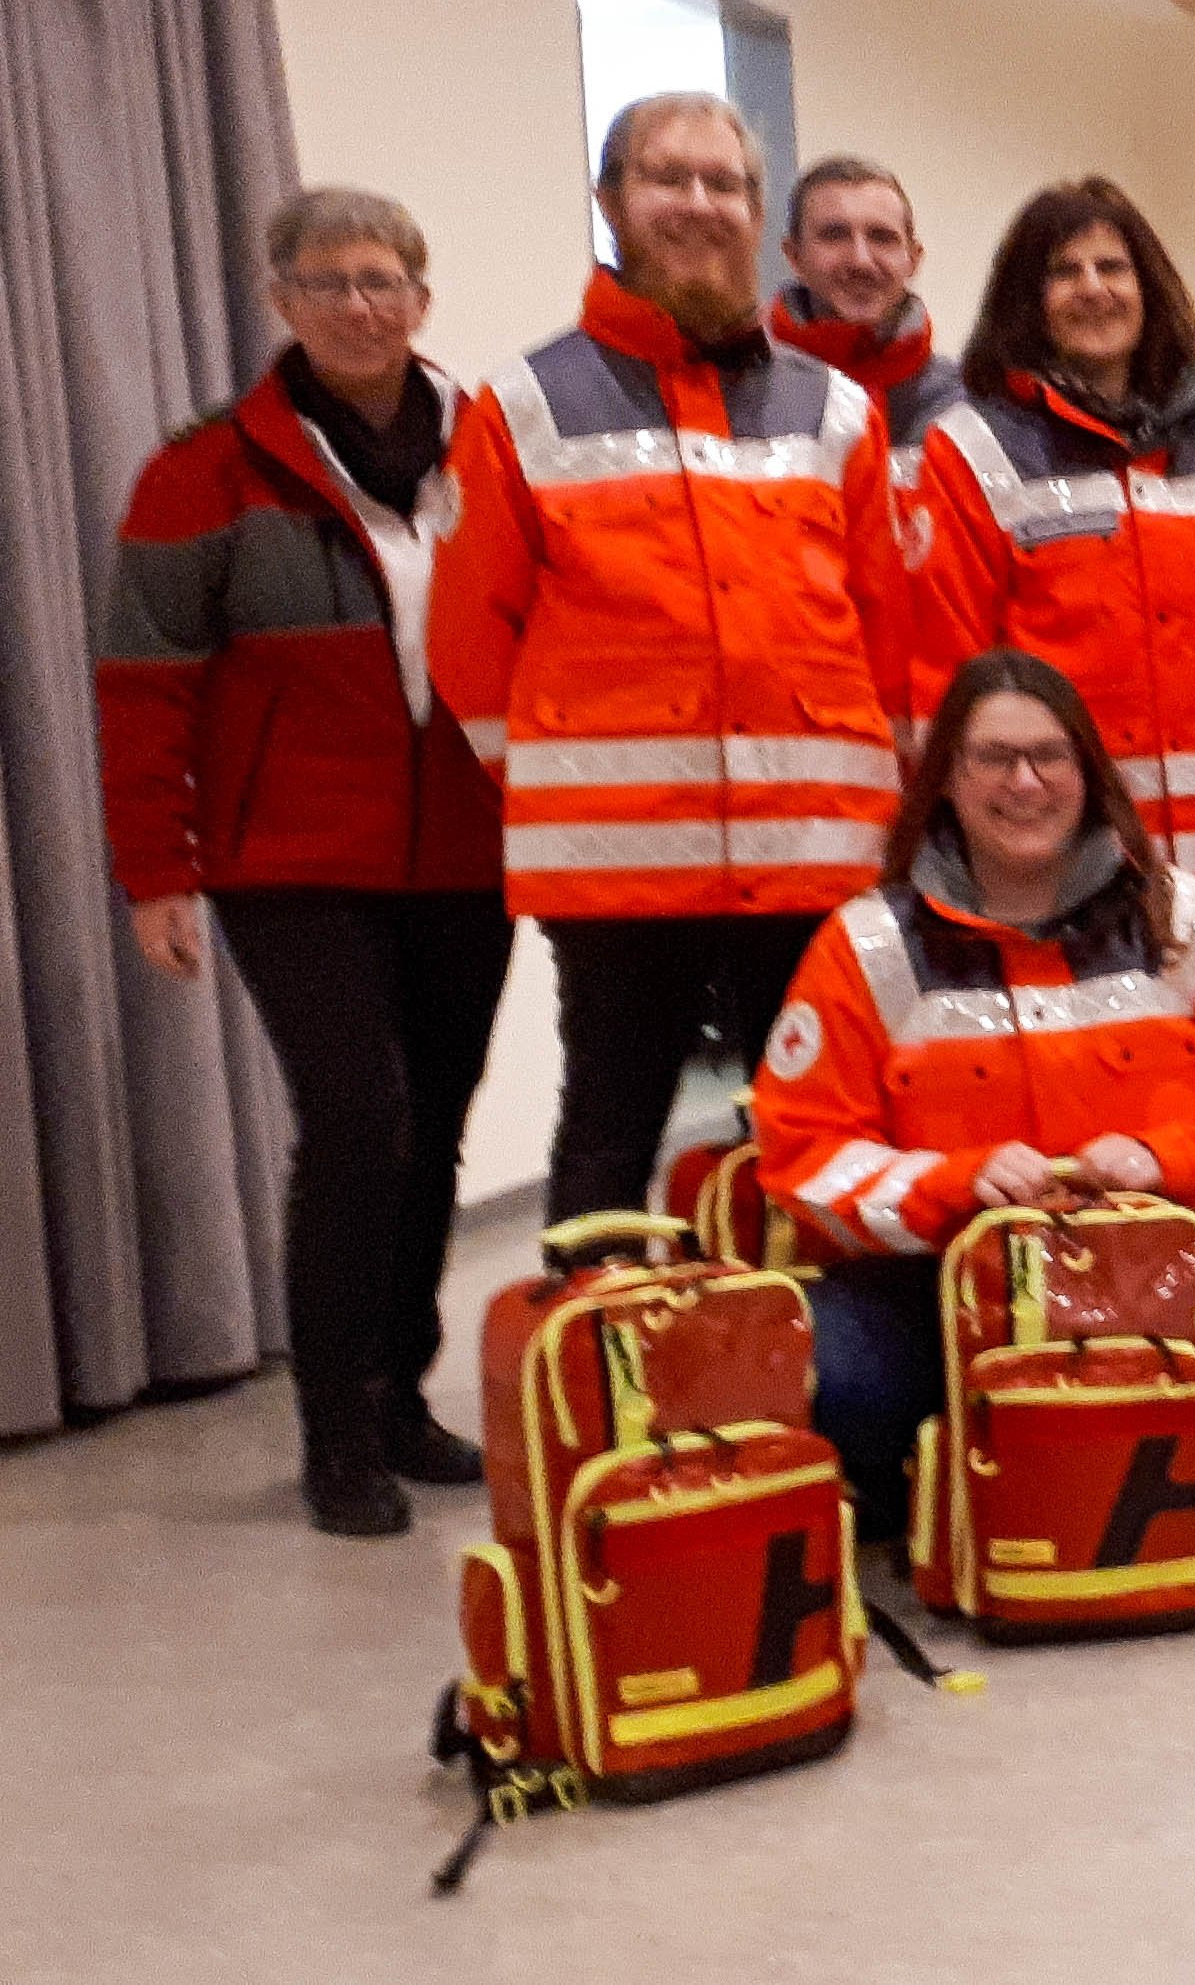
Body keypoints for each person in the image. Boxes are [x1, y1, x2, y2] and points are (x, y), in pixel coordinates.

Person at [97, 187, 511, 1537]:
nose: (360, 303)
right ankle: (336, 1426)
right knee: (357, 1120)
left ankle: (402, 1395)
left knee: (434, 1127)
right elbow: (145, 682)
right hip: (290, 856)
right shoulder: (202, 471)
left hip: (468, 848)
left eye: (384, 277)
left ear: (421, 297)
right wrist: (155, 865)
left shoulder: (491, 448)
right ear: (281, 301)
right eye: (328, 281)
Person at [749, 649, 1195, 1524]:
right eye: (993, 759)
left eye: (1050, 756)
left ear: (1088, 772)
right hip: (939, 1279)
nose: (1026, 783)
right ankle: (973, 1462)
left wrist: (1166, 1164)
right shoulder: (866, 946)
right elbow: (802, 1151)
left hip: (1171, 1258)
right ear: (948, 784)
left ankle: (1146, 1445)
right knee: (821, 1377)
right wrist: (951, 1185)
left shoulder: (1189, 920)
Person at [431, 91, 908, 1221]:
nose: (697, 204)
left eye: (724, 183)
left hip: (813, 850)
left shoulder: (835, 410)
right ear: (611, 201)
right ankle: (601, 1377)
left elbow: (887, 634)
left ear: (755, 213)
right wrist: (561, 779)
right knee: (610, 1128)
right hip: (617, 869)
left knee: (824, 1129)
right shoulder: (522, 405)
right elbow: (465, 644)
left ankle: (818, 1374)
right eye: (666, 177)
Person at [918, 178, 1195, 1025]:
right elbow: (949, 680)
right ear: (1027, 299)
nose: (1094, 288)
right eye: (1065, 270)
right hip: (1077, 878)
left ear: (1148, 290)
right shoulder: (972, 456)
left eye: (1113, 267)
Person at [771, 152, 964, 715]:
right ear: (794, 256)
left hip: (948, 744)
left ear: (913, 257)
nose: (860, 259)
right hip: (808, 738)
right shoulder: (740, 403)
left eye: (882, 237)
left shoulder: (972, 407)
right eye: (834, 236)